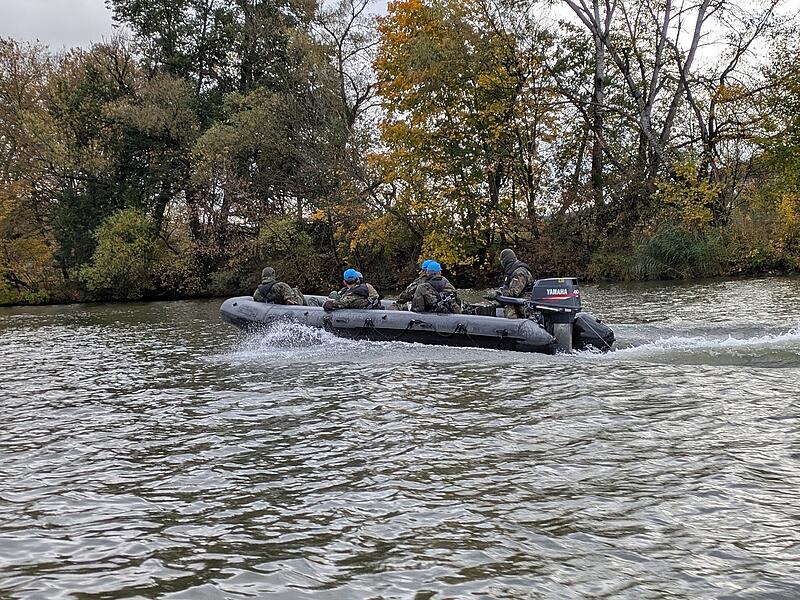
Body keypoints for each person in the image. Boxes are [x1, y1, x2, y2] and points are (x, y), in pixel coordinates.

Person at [497, 248, 535, 319]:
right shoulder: (513, 270)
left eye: (502, 261)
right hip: (520, 301)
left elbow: (513, 293)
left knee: (509, 306)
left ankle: (511, 326)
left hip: (525, 303)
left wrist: (498, 295)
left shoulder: (519, 272)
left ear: (505, 260)